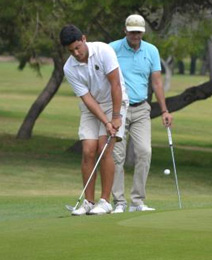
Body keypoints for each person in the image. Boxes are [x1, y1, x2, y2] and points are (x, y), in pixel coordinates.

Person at [59, 24, 129, 216]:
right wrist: (105, 122)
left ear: (83, 38)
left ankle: (105, 201)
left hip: (114, 101)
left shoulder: (104, 51)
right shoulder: (69, 68)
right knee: (88, 150)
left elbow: (115, 84)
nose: (76, 53)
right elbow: (87, 99)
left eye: (77, 47)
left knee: (104, 148)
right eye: (71, 50)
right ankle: (89, 202)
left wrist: (114, 117)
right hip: (92, 107)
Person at [110, 14, 173, 213]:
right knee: (117, 156)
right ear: (125, 30)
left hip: (141, 109)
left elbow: (156, 82)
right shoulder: (112, 49)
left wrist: (164, 110)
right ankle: (119, 202)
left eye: (139, 32)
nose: (135, 35)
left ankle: (137, 201)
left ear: (143, 32)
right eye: (132, 31)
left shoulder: (151, 51)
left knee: (145, 152)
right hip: (118, 111)